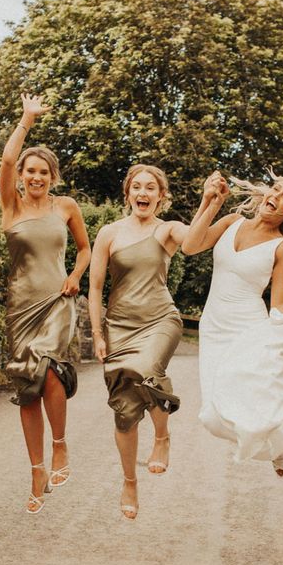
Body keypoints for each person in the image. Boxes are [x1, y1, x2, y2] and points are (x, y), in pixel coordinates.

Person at [182, 171, 283, 474]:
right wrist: (209, 201)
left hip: (249, 328)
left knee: (251, 399)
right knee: (213, 415)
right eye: (276, 189)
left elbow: (279, 303)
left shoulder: (282, 248)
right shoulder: (232, 221)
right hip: (214, 325)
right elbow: (190, 246)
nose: (276, 196)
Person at [0, 93, 90, 514]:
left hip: (57, 300)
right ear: (21, 175)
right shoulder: (11, 205)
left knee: (50, 372)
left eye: (43, 172)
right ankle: (36, 470)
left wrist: (74, 276)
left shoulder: (66, 207)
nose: (35, 177)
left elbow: (85, 251)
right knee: (28, 390)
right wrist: (26, 121)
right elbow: (3, 162)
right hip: (21, 305)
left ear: (52, 176)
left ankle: (60, 446)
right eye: (29, 171)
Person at [89, 165, 188, 519]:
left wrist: (209, 201)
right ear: (127, 193)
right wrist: (98, 334)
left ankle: (162, 436)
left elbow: (195, 241)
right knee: (125, 411)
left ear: (161, 196)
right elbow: (96, 287)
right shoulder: (109, 233)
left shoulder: (168, 230)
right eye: (137, 187)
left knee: (147, 369)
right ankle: (130, 481)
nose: (143, 193)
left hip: (161, 318)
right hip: (119, 325)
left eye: (151, 188)